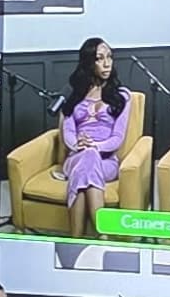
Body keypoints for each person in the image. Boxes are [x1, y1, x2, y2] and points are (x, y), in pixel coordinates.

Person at [51, 37, 130, 238]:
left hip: (106, 162)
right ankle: (103, 235)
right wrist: (78, 145)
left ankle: (75, 241)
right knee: (87, 158)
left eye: (110, 57)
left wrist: (93, 145)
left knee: (90, 158)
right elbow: (67, 132)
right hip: (76, 157)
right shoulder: (74, 95)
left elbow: (117, 138)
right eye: (99, 58)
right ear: (88, 63)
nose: (107, 63)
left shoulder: (122, 96)